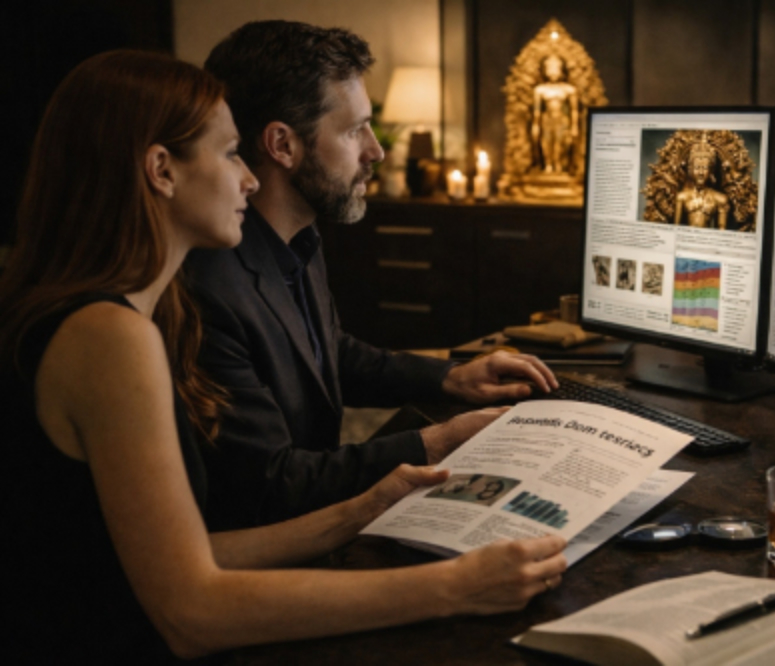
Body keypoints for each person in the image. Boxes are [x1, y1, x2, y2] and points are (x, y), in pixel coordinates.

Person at [0, 50, 566, 664]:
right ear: (161, 170)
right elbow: (193, 612)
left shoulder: (118, 312)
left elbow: (193, 553)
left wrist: (365, 508)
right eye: (229, 154)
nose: (249, 178)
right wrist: (454, 587)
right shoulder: (110, 337)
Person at [185, 20, 559, 532]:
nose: (375, 150)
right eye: (352, 130)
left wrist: (450, 377)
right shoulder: (208, 289)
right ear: (282, 145)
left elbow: (326, 353)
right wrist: (437, 442)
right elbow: (272, 485)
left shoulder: (298, 236)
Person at [674, 134, 730, 228]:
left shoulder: (720, 199)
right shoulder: (682, 197)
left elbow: (722, 230)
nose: (700, 173)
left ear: (711, 171)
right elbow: (676, 228)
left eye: (704, 168)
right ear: (690, 170)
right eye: (697, 168)